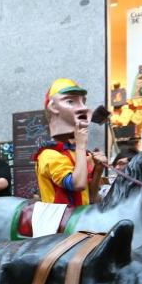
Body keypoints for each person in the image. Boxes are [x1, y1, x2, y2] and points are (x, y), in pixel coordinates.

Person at [36, 78, 108, 209]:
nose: (84, 108)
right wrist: (81, 145)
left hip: (80, 220)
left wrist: (98, 170)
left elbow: (92, 198)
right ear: (53, 107)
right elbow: (77, 185)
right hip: (59, 225)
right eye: (70, 101)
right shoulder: (49, 154)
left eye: (83, 101)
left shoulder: (79, 154)